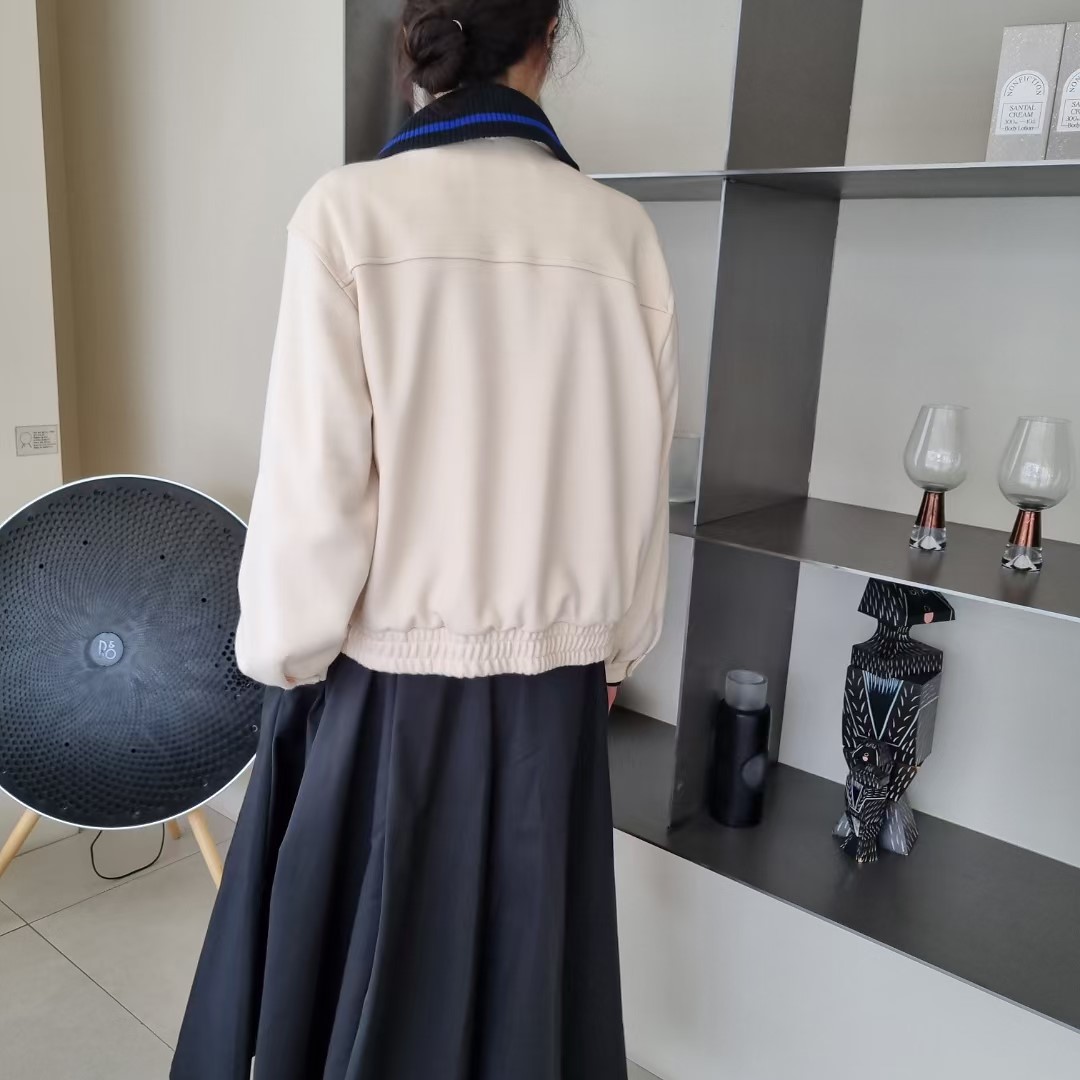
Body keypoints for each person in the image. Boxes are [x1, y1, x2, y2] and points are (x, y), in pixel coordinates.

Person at [172, 1, 676, 1077]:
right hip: (555, 691)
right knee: (526, 993)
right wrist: (615, 650)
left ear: (420, 46)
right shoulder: (621, 233)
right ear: (549, 38)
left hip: (384, 692)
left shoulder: (349, 212)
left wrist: (281, 656)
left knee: (372, 995)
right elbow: (643, 480)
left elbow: (314, 483)